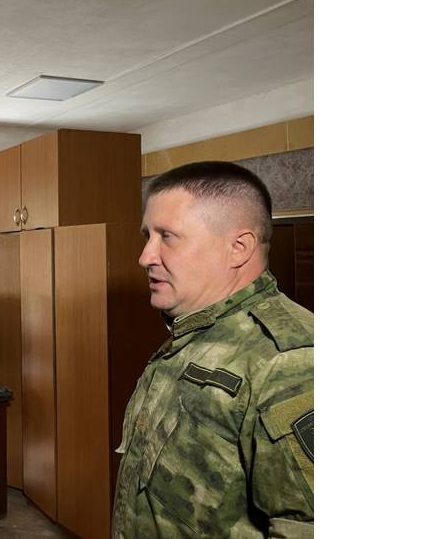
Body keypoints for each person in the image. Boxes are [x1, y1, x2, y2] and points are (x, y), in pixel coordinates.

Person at [112, 161, 313, 538]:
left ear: (238, 248)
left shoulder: (289, 359)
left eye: (167, 237)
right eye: (147, 236)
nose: (145, 256)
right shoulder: (194, 332)